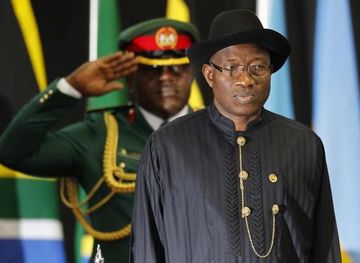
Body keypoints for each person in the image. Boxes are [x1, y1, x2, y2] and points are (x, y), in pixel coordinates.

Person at [131, 9, 341, 263]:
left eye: (257, 67)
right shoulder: (167, 146)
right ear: (210, 75)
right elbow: (146, 248)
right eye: (232, 68)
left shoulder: (304, 144)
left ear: (270, 71)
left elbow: (324, 246)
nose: (246, 80)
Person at [0, 18, 199, 263]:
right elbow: (14, 152)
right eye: (151, 69)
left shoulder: (218, 133)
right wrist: (69, 88)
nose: (165, 78)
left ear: (193, 73)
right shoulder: (101, 134)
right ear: (129, 79)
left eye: (177, 68)